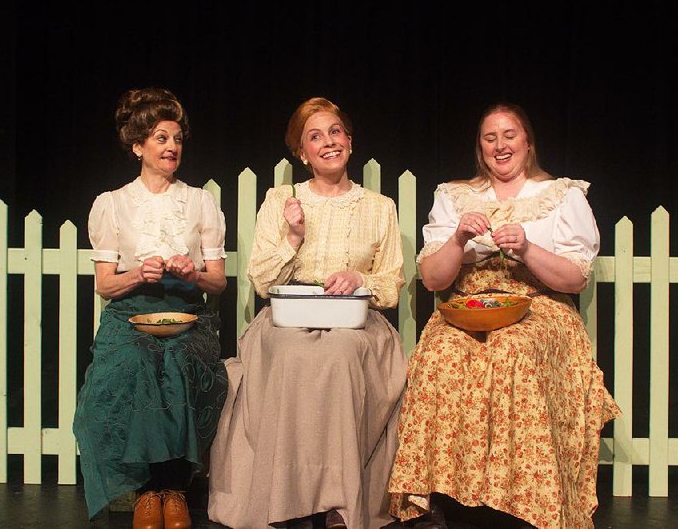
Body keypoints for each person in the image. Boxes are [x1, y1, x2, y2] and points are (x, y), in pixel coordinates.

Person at [387, 103, 620, 529]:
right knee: (441, 352)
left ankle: (525, 501)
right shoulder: (455, 196)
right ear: (480, 148)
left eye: (509, 135)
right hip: (466, 306)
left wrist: (528, 250)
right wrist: (458, 239)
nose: (500, 145)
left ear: (528, 142)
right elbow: (434, 280)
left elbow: (574, 280)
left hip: (539, 305)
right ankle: (446, 496)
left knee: (515, 349)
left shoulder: (560, 195)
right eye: (490, 137)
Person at [208, 97, 407, 528]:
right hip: (290, 314)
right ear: (302, 153)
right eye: (314, 136)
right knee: (295, 356)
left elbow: (391, 284)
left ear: (350, 141)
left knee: (339, 358)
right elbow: (261, 281)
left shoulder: (379, 206)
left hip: (356, 318)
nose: (328, 142)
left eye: (335, 132)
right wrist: (293, 238)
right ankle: (290, 498)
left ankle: (338, 503)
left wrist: (360, 279)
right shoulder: (282, 200)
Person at [72, 87, 229, 529]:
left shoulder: (200, 201)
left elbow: (216, 280)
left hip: (187, 314)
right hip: (129, 315)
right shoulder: (112, 204)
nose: (172, 147)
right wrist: (140, 274)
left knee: (180, 361)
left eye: (176, 138)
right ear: (138, 146)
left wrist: (190, 274)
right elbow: (106, 285)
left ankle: (174, 489)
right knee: (137, 363)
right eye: (161, 138)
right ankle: (145, 492)